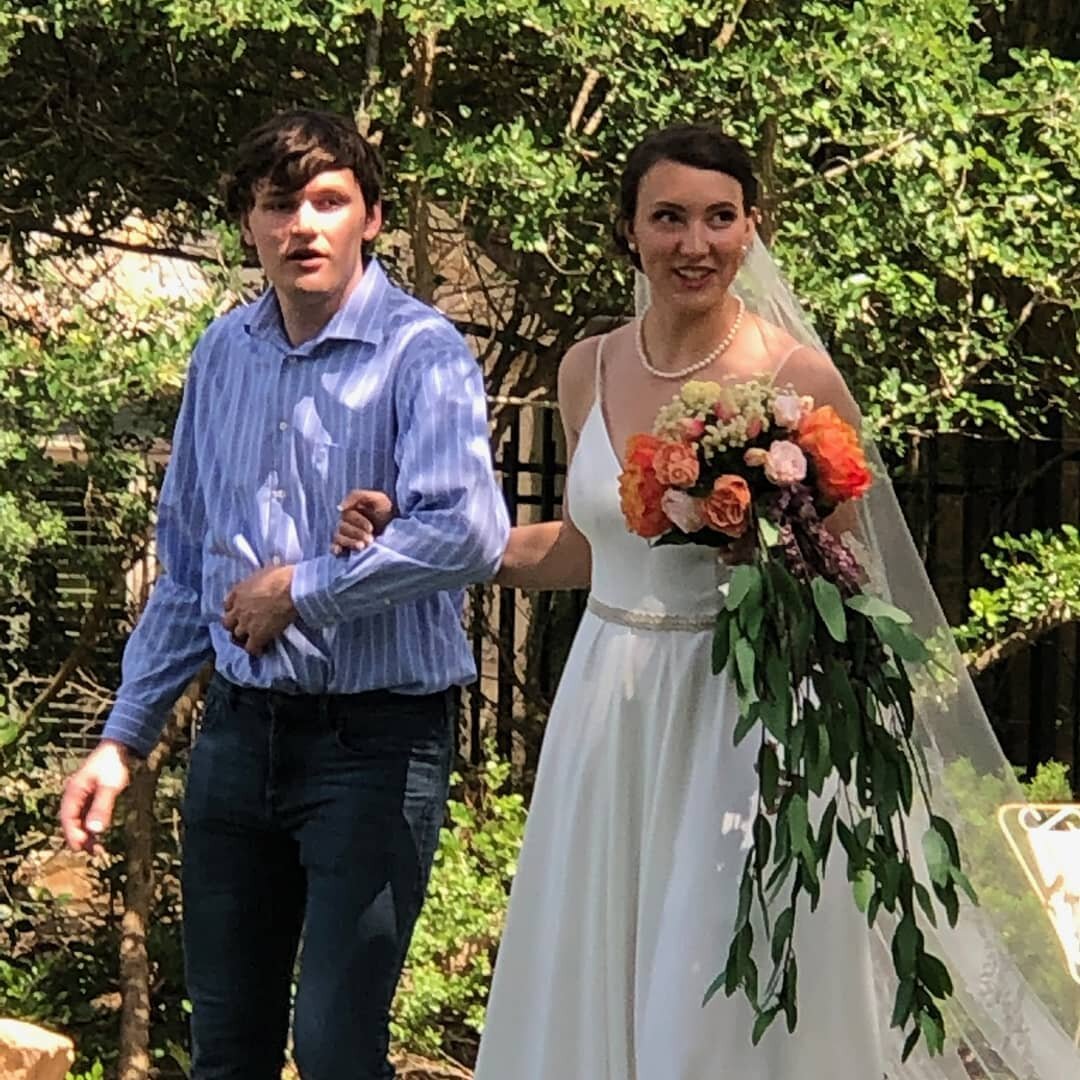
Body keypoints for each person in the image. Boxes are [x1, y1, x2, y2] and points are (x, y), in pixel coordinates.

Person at [335, 124, 1080, 1080]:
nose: (696, 242)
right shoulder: (587, 367)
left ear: (751, 228)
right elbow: (583, 546)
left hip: (743, 714)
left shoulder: (796, 378)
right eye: (670, 218)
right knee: (602, 956)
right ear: (631, 234)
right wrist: (415, 543)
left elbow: (849, 577)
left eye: (720, 218)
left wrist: (760, 543)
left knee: (711, 977)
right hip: (612, 709)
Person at [59, 109, 509, 1080]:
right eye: (279, 204)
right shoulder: (223, 354)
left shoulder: (421, 354)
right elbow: (188, 564)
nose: (303, 224)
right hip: (236, 739)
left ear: (372, 218)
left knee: (339, 1054)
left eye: (328, 201)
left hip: (377, 745)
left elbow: (470, 532)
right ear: (250, 224)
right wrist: (122, 736)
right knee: (228, 1053)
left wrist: (303, 590)